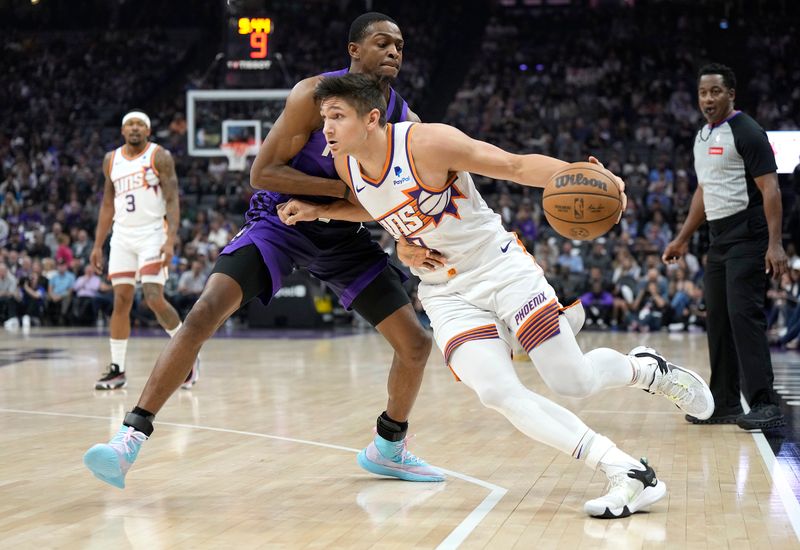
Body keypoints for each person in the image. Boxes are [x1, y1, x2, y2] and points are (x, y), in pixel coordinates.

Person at [279, 73, 715, 518]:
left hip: (500, 268)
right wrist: (359, 224)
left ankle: (646, 370)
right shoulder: (344, 163)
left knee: (573, 382)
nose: (326, 129)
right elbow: (380, 205)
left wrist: (587, 178)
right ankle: (625, 470)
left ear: (371, 118)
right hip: (445, 290)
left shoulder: (427, 143)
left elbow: (515, 166)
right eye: (324, 118)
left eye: (336, 117)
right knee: (496, 392)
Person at [83, 13, 445, 490]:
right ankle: (129, 436)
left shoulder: (406, 120)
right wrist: (337, 189)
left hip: (342, 236)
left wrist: (392, 230)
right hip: (279, 221)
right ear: (354, 49)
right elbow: (263, 172)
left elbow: (392, 198)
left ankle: (389, 447)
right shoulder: (312, 95)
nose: (395, 52)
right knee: (205, 310)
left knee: (416, 344)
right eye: (382, 42)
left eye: (400, 44)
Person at [663, 63, 788, 430]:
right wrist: (683, 237)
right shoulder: (702, 136)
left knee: (742, 315)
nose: (708, 99)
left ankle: (765, 402)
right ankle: (726, 402)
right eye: (703, 93)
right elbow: (704, 191)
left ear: (731, 94)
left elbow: (771, 189)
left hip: (748, 235)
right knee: (716, 318)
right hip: (717, 238)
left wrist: (775, 243)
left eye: (715, 91)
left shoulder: (747, 131)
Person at [90, 110, 199, 390]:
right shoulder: (110, 160)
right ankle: (117, 370)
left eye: (140, 124)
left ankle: (187, 357)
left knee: (153, 296)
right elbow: (106, 204)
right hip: (122, 236)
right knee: (121, 301)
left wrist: (170, 238)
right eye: (130, 124)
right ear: (123, 130)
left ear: (148, 131)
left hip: (152, 232)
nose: (135, 128)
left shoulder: (159, 156)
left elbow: (173, 198)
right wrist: (98, 244)